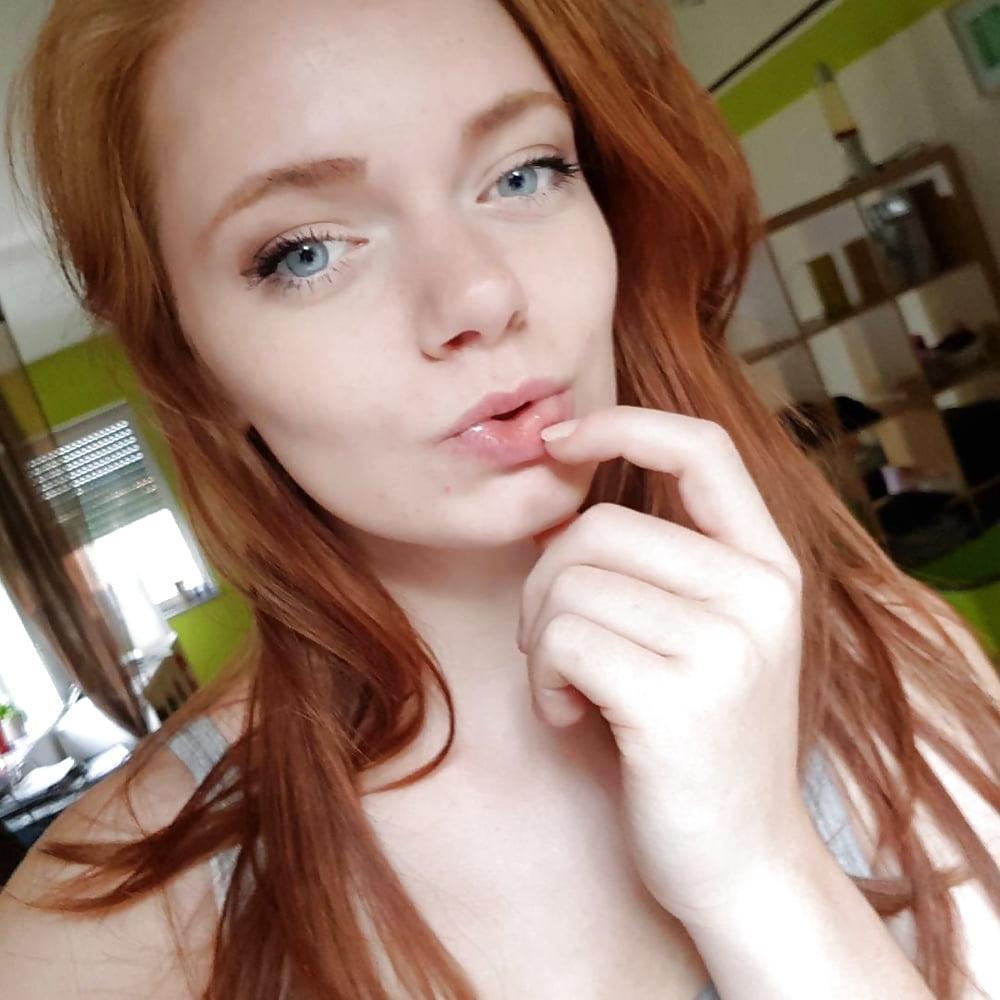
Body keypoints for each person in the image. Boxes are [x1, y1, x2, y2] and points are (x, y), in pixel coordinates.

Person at [1, 1, 997, 997]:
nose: (479, 294)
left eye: (524, 173)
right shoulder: (94, 940)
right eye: (305, 251)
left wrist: (764, 875)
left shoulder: (903, 652)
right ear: (191, 361)